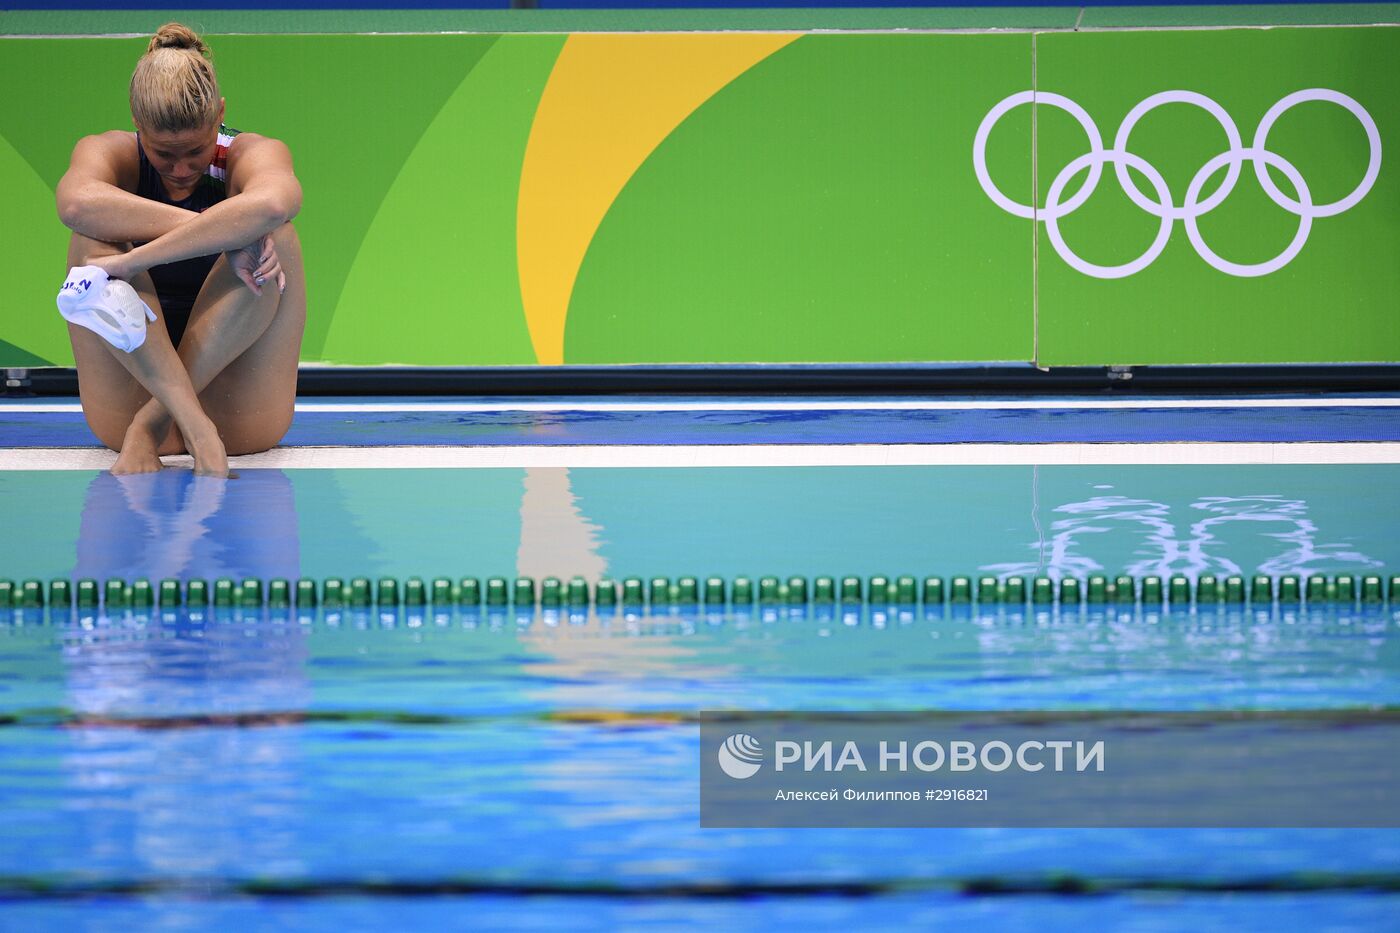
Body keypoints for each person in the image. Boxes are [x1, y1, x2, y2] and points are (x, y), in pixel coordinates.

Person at [55, 22, 305, 477]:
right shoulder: (110, 153)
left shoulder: (251, 153)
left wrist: (137, 259)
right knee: (90, 236)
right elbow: (73, 202)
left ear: (221, 115)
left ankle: (152, 427)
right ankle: (187, 423)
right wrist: (227, 235)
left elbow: (273, 202)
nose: (181, 168)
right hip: (128, 398)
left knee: (277, 235)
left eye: (195, 150)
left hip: (237, 417)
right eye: (163, 153)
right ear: (137, 125)